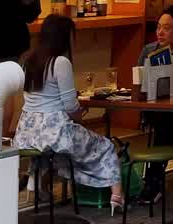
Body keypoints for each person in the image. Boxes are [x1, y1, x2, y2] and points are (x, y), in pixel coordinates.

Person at [14, 15, 125, 211]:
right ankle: (117, 195)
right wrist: (80, 113)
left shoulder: (27, 61)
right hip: (54, 132)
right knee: (105, 145)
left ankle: (41, 188)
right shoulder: (60, 63)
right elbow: (70, 106)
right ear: (63, 37)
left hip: (26, 133)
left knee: (56, 155)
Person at [135, 5, 173, 204]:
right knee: (164, 121)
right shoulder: (149, 51)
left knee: (165, 123)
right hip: (157, 111)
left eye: (167, 28)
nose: (160, 32)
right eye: (158, 27)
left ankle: (153, 182)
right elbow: (139, 83)